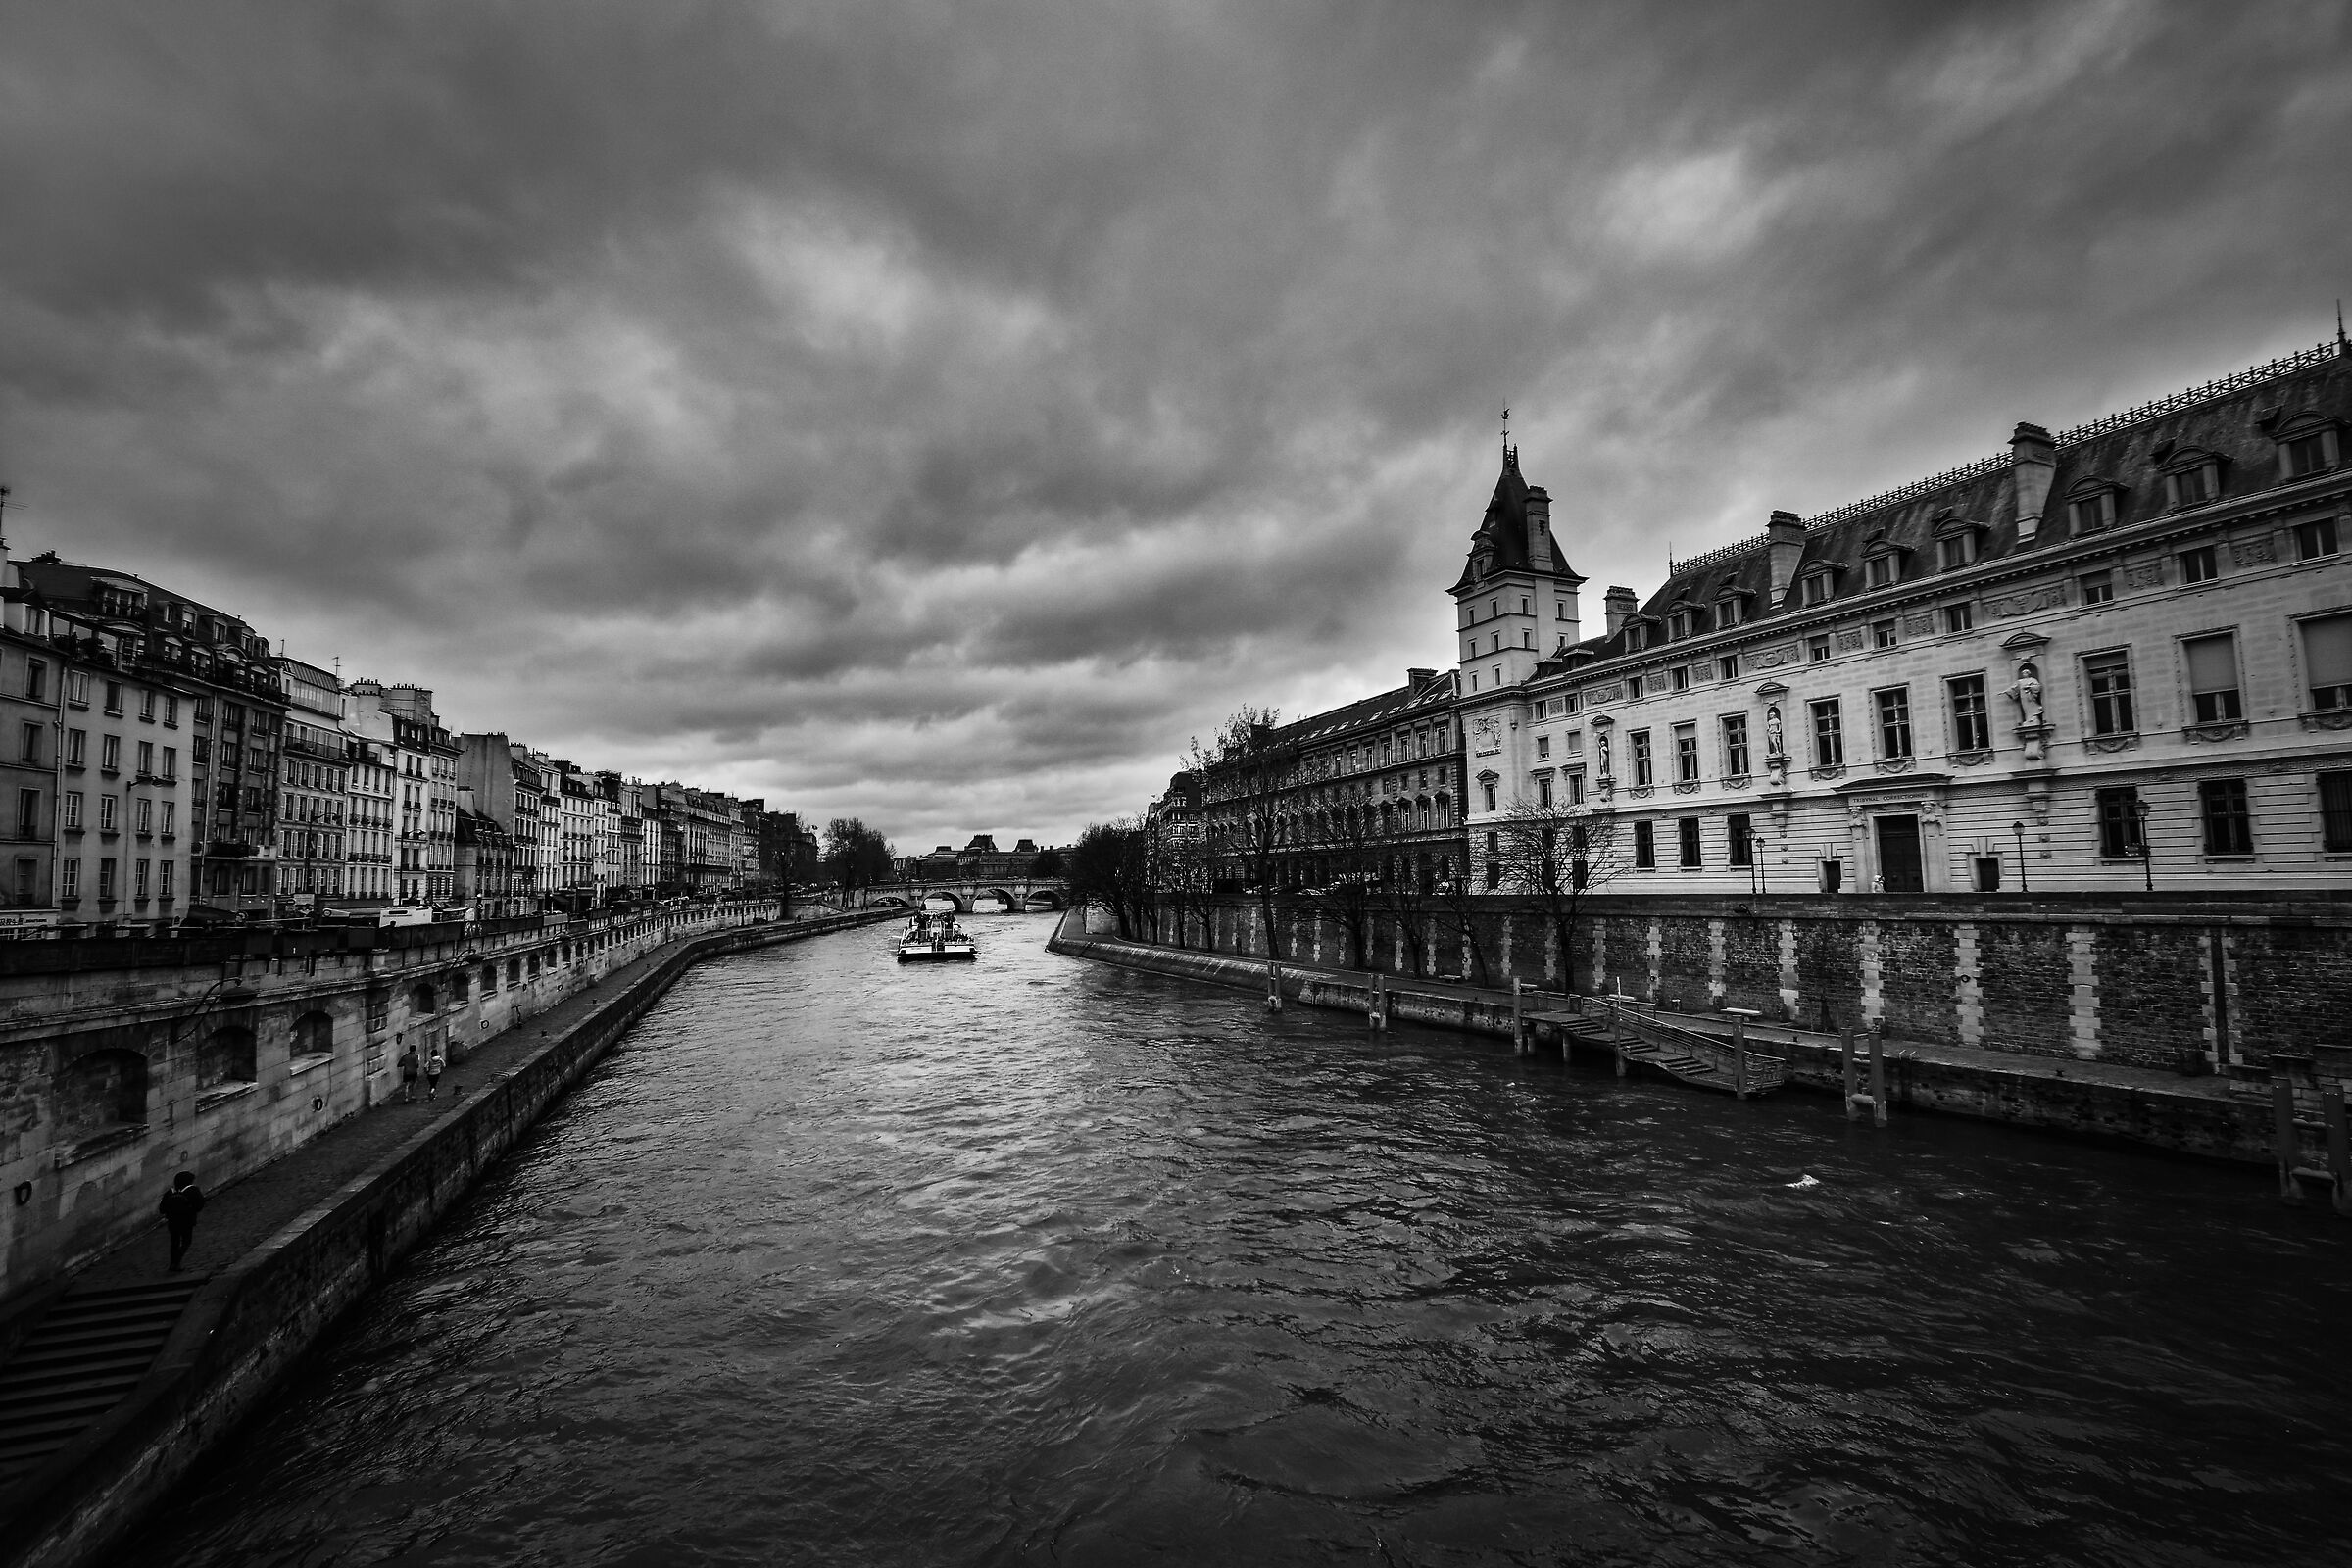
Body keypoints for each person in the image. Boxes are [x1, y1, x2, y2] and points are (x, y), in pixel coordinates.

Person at [159, 1171, 205, 1272]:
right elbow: (199, 1205)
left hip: (172, 1222)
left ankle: (173, 1264)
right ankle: (177, 1261)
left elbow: (162, 1209)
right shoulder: (193, 1190)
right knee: (186, 1241)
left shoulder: (170, 1192)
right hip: (187, 1221)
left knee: (174, 1242)